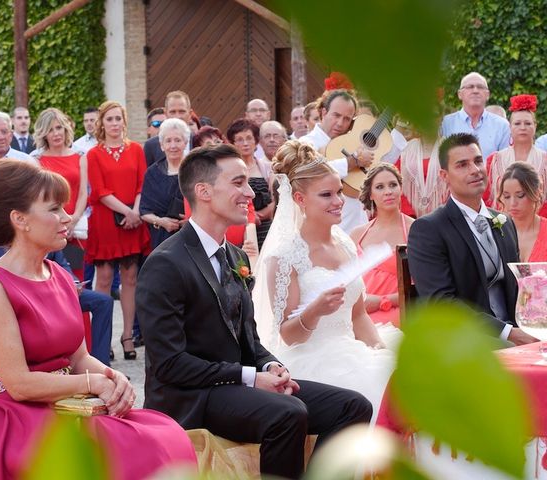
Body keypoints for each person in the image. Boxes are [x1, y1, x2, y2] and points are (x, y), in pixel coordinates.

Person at [0, 160, 196, 479]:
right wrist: (92, 383)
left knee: (166, 436)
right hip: (5, 419)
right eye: (55, 208)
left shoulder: (57, 274)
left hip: (58, 405)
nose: (67, 217)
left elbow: (78, 356)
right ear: (20, 220)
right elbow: (18, 384)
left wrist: (114, 378)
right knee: (131, 453)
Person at [136, 144, 372, 480]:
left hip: (235, 385)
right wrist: (250, 377)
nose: (250, 192)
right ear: (203, 192)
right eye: (238, 183)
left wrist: (271, 365)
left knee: (353, 406)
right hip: (190, 396)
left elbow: (250, 339)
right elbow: (169, 364)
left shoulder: (237, 257)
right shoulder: (165, 264)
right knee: (287, 413)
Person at [253, 141, 401, 421]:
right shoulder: (284, 256)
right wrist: (315, 310)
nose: (339, 201)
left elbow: (358, 316)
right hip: (315, 359)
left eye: (339, 192)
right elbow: (288, 334)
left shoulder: (344, 242)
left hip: (355, 349)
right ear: (300, 199)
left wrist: (383, 356)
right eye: (326, 195)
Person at [408, 133, 536, 346]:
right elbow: (441, 303)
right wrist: (509, 333)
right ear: (444, 175)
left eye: (477, 161)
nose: (475, 170)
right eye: (462, 165)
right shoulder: (428, 229)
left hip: (514, 329)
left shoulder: (503, 222)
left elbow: (517, 286)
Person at [86, 101, 150, 360]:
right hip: (106, 221)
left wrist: (135, 211)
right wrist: (127, 212)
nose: (114, 124)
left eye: (118, 119)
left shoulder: (136, 149)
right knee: (102, 278)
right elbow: (99, 191)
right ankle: (103, 340)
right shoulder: (93, 154)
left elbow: (142, 183)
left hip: (133, 220)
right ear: (102, 123)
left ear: (124, 121)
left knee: (130, 278)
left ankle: (127, 337)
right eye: (109, 119)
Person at [299, 89, 374, 233]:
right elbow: (312, 171)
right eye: (336, 115)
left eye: (347, 119)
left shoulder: (352, 141)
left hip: (358, 221)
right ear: (323, 112)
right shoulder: (306, 143)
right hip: (327, 228)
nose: (340, 123)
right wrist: (352, 162)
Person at [350, 164, 414, 326]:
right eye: (380, 187)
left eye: (393, 185)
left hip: (402, 314)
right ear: (370, 194)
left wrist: (382, 301)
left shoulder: (416, 230)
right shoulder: (356, 234)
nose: (388, 191)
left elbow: (424, 285)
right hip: (360, 316)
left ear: (400, 188)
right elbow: (346, 283)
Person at [34, 108, 88, 270]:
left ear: (66, 129)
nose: (56, 133)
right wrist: (59, 223)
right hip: (50, 226)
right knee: (51, 272)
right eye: (50, 130)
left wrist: (73, 220)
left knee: (77, 278)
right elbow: (41, 199)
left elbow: (83, 192)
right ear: (44, 134)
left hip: (76, 227)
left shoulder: (80, 156)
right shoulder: (37, 160)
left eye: (59, 128)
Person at [484, 94, 547, 217]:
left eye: (528, 123)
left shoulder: (545, 161)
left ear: (535, 126)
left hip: (537, 227)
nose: (522, 127)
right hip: (502, 226)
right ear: (510, 127)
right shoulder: (494, 161)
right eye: (517, 123)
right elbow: (486, 198)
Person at [226, 118, 275, 249]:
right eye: (240, 139)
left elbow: (276, 200)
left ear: (256, 141)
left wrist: (260, 215)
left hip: (267, 229)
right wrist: (249, 217)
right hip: (239, 228)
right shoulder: (228, 171)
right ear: (233, 143)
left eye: (249, 138)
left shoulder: (268, 168)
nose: (245, 143)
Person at [139, 118, 188, 249]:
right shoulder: (152, 173)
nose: (173, 146)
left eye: (177, 140)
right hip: (162, 238)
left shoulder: (195, 169)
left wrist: (191, 220)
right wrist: (161, 222)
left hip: (192, 237)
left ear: (185, 143)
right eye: (168, 141)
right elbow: (144, 211)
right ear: (161, 145)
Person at [441, 72, 510, 159]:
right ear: (460, 94)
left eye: (480, 87)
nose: (475, 91)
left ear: (487, 94)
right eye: (470, 87)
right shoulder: (446, 124)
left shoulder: (502, 125)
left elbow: (505, 162)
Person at [498, 162, 547, 262]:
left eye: (520, 195)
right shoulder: (497, 232)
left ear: (536, 192)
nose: (512, 203)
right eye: (507, 196)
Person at [395, 132, 448, 218]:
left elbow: (456, 182)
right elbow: (396, 181)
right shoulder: (406, 149)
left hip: (443, 214)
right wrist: (408, 214)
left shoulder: (450, 148)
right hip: (410, 215)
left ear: (440, 120)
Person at [143, 90, 194, 166]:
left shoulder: (199, 141)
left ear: (190, 114)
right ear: (166, 114)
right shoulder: (151, 146)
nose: (177, 116)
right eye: (173, 112)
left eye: (182, 111)